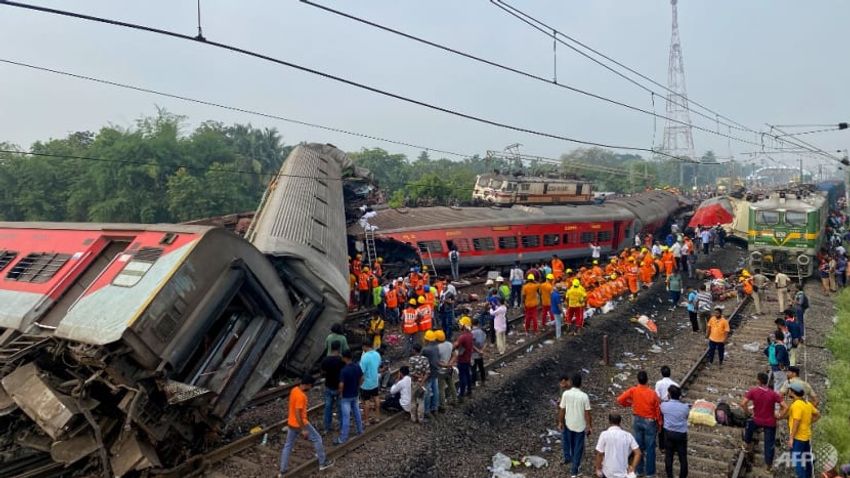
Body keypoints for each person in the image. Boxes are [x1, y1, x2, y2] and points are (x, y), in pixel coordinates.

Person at [278, 374, 333, 475]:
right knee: (317, 439)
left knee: (288, 445)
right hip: (300, 423)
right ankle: (323, 463)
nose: (311, 388)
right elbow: (298, 413)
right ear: (307, 385)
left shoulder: (294, 390)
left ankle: (283, 469)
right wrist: (303, 429)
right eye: (311, 386)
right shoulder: (301, 396)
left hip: (291, 423)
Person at [617, 370, 661, 478]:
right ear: (647, 380)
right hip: (650, 422)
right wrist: (659, 424)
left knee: (638, 446)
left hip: (637, 420)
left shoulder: (633, 390)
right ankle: (650, 473)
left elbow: (620, 400)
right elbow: (657, 411)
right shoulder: (653, 393)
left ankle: (639, 470)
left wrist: (629, 404)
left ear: (638, 380)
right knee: (650, 448)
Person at [741, 372, 787, 472]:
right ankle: (768, 467)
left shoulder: (753, 391)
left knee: (749, 425)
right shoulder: (773, 394)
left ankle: (746, 444)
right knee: (769, 444)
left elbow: (743, 403)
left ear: (758, 381)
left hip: (757, 419)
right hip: (770, 422)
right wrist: (780, 416)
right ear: (766, 381)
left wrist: (748, 413)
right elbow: (785, 407)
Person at [780, 384, 820, 478]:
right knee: (807, 458)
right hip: (806, 436)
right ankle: (809, 475)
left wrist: (791, 438)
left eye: (790, 390)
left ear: (793, 392)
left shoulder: (797, 405)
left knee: (797, 460)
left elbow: (796, 422)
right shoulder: (807, 403)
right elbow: (818, 415)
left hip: (798, 437)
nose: (788, 392)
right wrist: (808, 423)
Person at [558, 372, 593, 478]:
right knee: (578, 447)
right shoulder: (584, 396)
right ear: (581, 384)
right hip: (580, 426)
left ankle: (574, 462)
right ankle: (574, 470)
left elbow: (562, 410)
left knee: (572, 445)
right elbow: (587, 413)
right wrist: (589, 426)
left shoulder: (566, 394)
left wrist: (560, 422)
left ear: (571, 382)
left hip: (568, 424)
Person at [594, 413, 641, 478]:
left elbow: (599, 454)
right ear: (620, 422)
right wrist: (632, 467)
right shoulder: (628, 435)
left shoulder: (604, 434)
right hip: (623, 472)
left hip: (607, 472)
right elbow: (638, 453)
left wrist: (598, 468)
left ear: (609, 422)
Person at [334, 350, 364, 444]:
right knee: (357, 413)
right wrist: (358, 387)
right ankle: (360, 431)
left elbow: (341, 385)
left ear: (345, 358)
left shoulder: (344, 370)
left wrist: (341, 393)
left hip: (346, 397)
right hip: (355, 394)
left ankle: (343, 438)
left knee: (346, 417)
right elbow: (361, 378)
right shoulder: (357, 366)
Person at [660, 385, 690, 478]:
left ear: (669, 394)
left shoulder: (664, 406)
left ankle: (670, 476)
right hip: (681, 434)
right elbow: (687, 416)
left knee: (669, 456)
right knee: (682, 457)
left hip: (668, 433)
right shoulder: (685, 407)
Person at [320, 341, 345, 433]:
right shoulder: (342, 360)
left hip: (328, 386)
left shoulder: (325, 360)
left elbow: (322, 372)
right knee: (341, 408)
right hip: (339, 388)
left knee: (328, 407)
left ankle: (327, 427)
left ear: (331, 348)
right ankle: (342, 427)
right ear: (339, 349)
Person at [359, 342, 381, 425]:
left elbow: (361, 372)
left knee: (366, 402)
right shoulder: (377, 354)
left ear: (365, 346)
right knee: (376, 398)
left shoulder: (364, 357)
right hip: (375, 381)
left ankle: (366, 421)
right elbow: (378, 366)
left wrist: (359, 383)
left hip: (366, 384)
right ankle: (377, 417)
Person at [408, 343, 430, 424]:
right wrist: (422, 381)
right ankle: (421, 418)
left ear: (414, 350)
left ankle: (413, 418)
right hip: (422, 383)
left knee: (413, 400)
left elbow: (411, 372)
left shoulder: (411, 359)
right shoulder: (425, 359)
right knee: (421, 401)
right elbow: (427, 372)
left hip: (414, 382)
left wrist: (418, 377)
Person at [421, 330, 441, 417]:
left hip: (428, 373)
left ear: (427, 339)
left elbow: (421, 360)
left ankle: (427, 411)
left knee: (427, 392)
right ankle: (435, 408)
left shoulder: (425, 349)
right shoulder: (436, 347)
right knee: (435, 390)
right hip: (435, 371)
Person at [454, 316, 474, 400]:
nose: (459, 325)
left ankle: (461, 394)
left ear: (464, 326)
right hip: (468, 358)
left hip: (462, 359)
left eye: (461, 324)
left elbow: (455, 345)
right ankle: (469, 391)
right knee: (468, 375)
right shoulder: (470, 335)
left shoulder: (462, 337)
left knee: (462, 377)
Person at [435, 329, 456, 409]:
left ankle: (443, 406)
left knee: (441, 389)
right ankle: (455, 400)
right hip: (449, 369)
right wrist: (450, 363)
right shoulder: (449, 344)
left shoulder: (437, 348)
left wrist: (445, 365)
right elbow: (454, 355)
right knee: (451, 384)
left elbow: (436, 362)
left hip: (441, 370)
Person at [470, 318, 487, 387]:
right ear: (478, 324)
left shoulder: (471, 333)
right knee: (481, 367)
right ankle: (483, 381)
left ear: (472, 324)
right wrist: (482, 350)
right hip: (481, 354)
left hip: (474, 354)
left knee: (473, 369)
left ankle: (474, 383)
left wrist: (478, 351)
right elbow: (485, 342)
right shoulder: (482, 332)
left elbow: (471, 344)